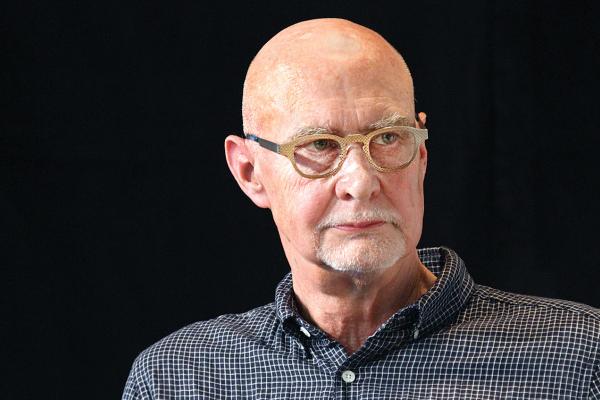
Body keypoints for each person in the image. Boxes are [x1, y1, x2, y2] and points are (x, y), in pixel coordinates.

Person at [123, 18, 600, 399]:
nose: (361, 181)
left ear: (422, 156)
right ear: (250, 172)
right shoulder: (178, 380)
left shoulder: (581, 360)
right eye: (320, 144)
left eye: (388, 138)